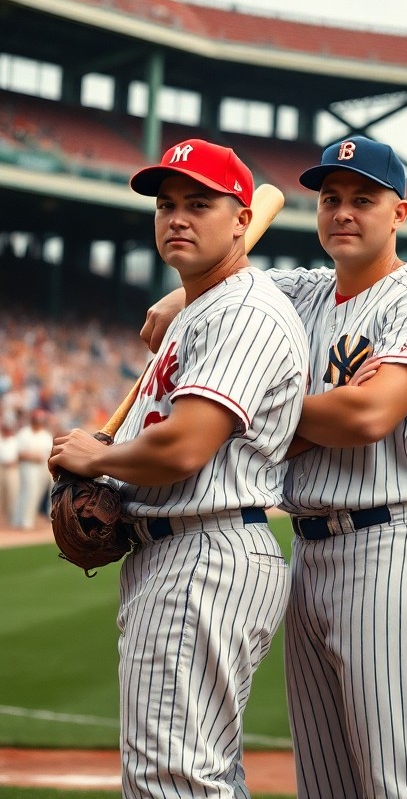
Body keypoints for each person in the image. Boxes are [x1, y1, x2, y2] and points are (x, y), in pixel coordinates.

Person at [143, 135, 407, 799]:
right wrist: (182, 298)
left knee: (393, 780)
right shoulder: (301, 292)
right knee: (323, 783)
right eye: (329, 199)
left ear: (400, 214)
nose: (343, 212)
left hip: (391, 547)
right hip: (309, 549)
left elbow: (368, 416)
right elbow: (223, 284)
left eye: (363, 199)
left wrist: (257, 404)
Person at [48, 138, 308, 798]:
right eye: (167, 205)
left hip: (203, 550)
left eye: (199, 203)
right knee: (197, 775)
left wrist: (96, 457)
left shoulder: (243, 312)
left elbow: (186, 446)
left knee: (172, 780)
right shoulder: (205, 309)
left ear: (243, 220)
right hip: (189, 550)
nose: (178, 218)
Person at [15, 409, 53, 529]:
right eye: (37, 420)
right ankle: (24, 521)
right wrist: (32, 456)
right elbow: (19, 454)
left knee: (38, 493)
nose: (38, 422)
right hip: (28, 466)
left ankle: (27, 519)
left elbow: (50, 452)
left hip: (43, 466)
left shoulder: (46, 435)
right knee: (29, 491)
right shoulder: (24, 433)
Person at [0, 419, 18, 527]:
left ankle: (12, 520)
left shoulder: (15, 441)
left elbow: (20, 456)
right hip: (1, 469)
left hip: (12, 469)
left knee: (12, 494)